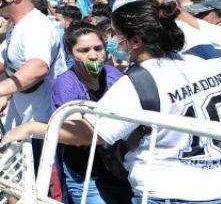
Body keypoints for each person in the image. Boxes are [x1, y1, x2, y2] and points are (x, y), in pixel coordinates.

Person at [2, 0, 221, 203]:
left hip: (171, 190)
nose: (113, 43)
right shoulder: (208, 63)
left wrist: (33, 127)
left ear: (134, 41)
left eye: (116, 36)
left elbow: (90, 133)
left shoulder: (139, 81)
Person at [9, 23, 132, 203]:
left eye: (98, 48)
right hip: (86, 174)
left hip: (121, 169)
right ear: (70, 53)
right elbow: (77, 133)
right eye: (83, 50)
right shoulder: (65, 84)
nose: (93, 55)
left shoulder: (114, 75)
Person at [0, 0, 67, 137]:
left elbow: (38, 67)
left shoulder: (36, 25)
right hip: (24, 119)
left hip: (44, 122)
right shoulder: (15, 27)